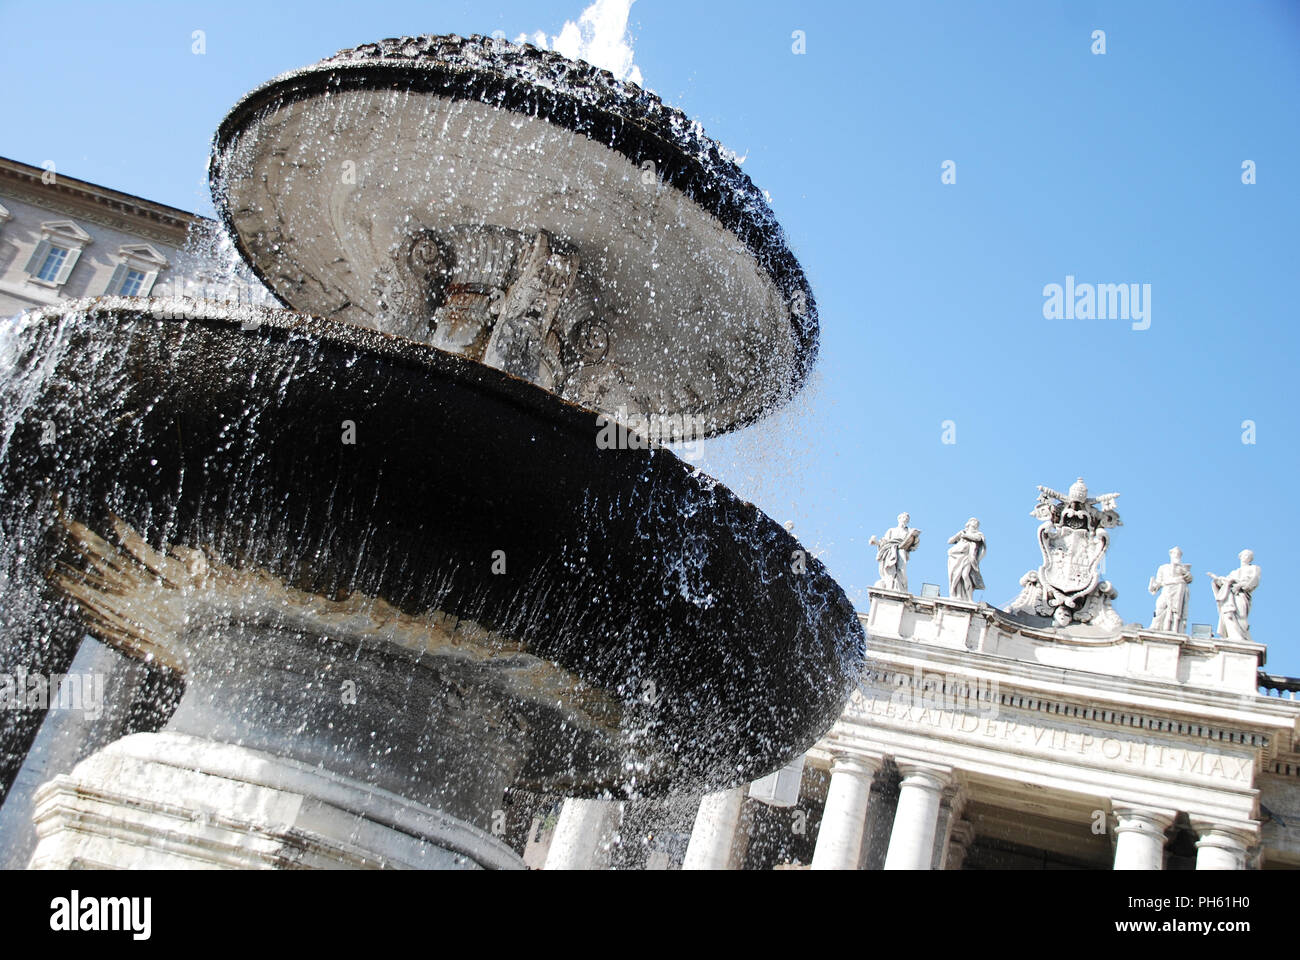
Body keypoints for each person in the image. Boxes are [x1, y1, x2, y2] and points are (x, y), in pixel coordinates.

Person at [1207, 550, 1260, 642]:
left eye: (1248, 555)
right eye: (1244, 555)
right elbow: (1224, 582)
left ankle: (1242, 636)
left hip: (1242, 594)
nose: (1246, 557)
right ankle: (1233, 635)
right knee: (1228, 613)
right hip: (1231, 595)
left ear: (1251, 559)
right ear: (1240, 557)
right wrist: (1216, 579)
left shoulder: (1254, 568)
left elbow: (1254, 580)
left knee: (1241, 615)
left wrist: (1241, 586)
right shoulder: (1234, 572)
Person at [870, 513, 920, 593]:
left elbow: (913, 545)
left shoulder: (908, 531)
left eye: (907, 519)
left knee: (902, 571)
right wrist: (875, 542)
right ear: (899, 519)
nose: (905, 520)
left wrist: (915, 537)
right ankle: (890, 587)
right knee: (890, 568)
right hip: (890, 550)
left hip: (902, 551)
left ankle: (901, 589)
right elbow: (884, 542)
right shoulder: (891, 530)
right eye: (904, 518)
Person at [1148, 546, 1192, 633]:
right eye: (1175, 553)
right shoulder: (1163, 568)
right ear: (1171, 554)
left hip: (1179, 588)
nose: (1177, 556)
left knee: (1176, 610)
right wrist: (1153, 586)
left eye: (1178, 554)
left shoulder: (1182, 568)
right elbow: (1159, 582)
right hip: (1167, 588)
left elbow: (1189, 578)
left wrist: (1185, 573)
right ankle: (1156, 626)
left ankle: (1173, 629)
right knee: (1160, 605)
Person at [946, 518, 986, 602]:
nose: (976, 523)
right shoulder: (963, 532)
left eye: (977, 522)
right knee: (956, 575)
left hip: (968, 557)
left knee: (965, 575)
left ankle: (969, 598)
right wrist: (957, 536)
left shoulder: (978, 534)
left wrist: (964, 536)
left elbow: (977, 539)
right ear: (969, 523)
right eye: (974, 521)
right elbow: (949, 541)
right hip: (957, 555)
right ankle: (953, 592)